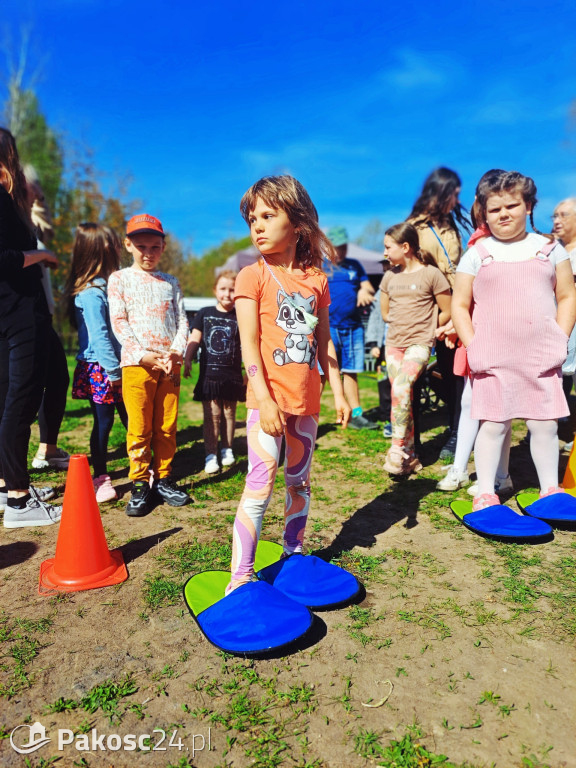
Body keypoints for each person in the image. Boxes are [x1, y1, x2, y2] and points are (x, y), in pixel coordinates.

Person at [227, 175, 351, 592]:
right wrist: (265, 399)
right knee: (259, 485)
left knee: (299, 481)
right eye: (252, 218)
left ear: (297, 224)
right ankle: (240, 577)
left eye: (267, 215)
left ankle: (293, 552)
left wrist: (336, 388)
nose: (257, 226)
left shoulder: (317, 279)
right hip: (267, 402)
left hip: (307, 402)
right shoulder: (251, 276)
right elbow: (249, 345)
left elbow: (323, 341)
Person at [452, 170, 576, 511]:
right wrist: (474, 346)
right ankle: (485, 491)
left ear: (529, 205)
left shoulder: (550, 249)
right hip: (492, 357)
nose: (504, 214)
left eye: (512, 205)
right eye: (494, 209)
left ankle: (550, 489)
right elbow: (459, 305)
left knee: (545, 424)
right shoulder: (477, 253)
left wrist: (560, 339)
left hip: (541, 356)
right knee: (492, 425)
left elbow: (567, 296)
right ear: (483, 213)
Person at [0, 127, 62, 528]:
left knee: (7, 396)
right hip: (19, 312)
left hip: (8, 310)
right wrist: (40, 255)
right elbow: (4, 259)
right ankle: (20, 501)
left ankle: (8, 489)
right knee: (21, 400)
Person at [109, 214, 190, 516]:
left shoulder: (171, 282)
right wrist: (141, 353)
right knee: (139, 427)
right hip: (137, 364)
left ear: (163, 247)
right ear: (127, 244)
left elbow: (182, 320)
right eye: (141, 246)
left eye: (155, 247)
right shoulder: (120, 279)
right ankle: (141, 482)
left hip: (169, 364)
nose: (148, 253)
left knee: (166, 426)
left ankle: (165, 477)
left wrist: (175, 351)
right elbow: (119, 321)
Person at [407, 168, 471, 459]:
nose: (458, 198)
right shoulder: (413, 225)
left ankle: (457, 432)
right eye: (454, 192)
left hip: (454, 306)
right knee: (414, 375)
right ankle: (410, 441)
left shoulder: (452, 225)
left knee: (454, 371)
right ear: (440, 191)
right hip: (422, 308)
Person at [380, 222, 451, 475]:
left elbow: (448, 310)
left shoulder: (431, 274)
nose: (385, 252)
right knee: (403, 398)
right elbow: (385, 313)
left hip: (419, 345)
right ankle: (410, 457)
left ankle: (397, 448)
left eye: (388, 247)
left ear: (405, 247)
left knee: (400, 387)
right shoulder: (389, 277)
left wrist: (430, 329)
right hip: (394, 345)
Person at [65, 223, 128, 503]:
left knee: (132, 418)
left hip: (116, 366)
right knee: (104, 422)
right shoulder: (91, 293)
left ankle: (144, 468)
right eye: (115, 243)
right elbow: (100, 335)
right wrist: (114, 372)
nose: (119, 247)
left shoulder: (107, 287)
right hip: (103, 369)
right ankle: (100, 478)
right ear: (103, 249)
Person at [24, 165, 71, 471]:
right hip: (20, 316)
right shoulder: (8, 219)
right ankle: (8, 478)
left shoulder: (28, 221)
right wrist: (42, 256)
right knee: (20, 391)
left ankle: (48, 448)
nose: (41, 194)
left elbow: (46, 231)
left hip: (42, 313)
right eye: (35, 188)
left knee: (57, 377)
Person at [184, 270, 246, 474]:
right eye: (223, 289)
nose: (227, 294)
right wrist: (187, 360)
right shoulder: (204, 313)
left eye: (232, 289)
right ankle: (210, 455)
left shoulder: (242, 316)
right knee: (212, 416)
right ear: (215, 290)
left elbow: (247, 346)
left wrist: (248, 373)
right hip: (209, 378)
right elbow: (194, 338)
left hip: (232, 378)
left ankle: (227, 449)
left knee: (230, 415)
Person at [324, 226, 377, 430]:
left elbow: (368, 287)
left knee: (351, 371)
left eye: (344, 247)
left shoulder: (355, 266)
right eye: (337, 247)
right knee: (321, 374)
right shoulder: (319, 267)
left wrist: (364, 291)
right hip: (327, 329)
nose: (341, 252)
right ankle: (310, 416)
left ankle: (356, 415)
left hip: (353, 328)